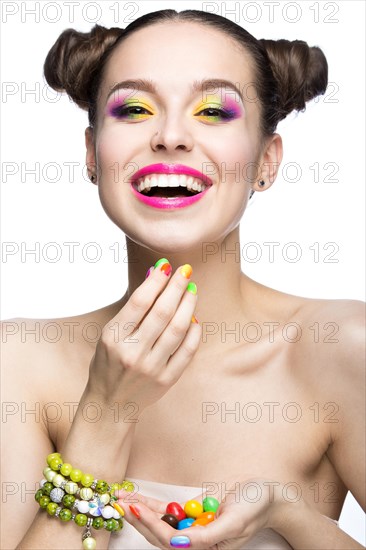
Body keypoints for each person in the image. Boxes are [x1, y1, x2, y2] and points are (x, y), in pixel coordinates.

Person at [1, 8, 365, 550]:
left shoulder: (341, 346)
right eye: (135, 109)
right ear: (91, 156)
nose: (170, 136)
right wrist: (106, 413)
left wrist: (289, 515)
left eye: (214, 110)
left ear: (267, 160)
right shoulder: (20, 361)